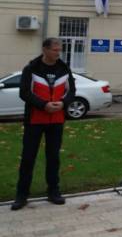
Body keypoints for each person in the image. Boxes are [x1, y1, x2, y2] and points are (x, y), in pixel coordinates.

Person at [12, 37, 76, 211]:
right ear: (45, 50)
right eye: (55, 49)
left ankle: (53, 192)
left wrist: (63, 104)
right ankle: (21, 195)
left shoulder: (64, 68)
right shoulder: (31, 69)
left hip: (56, 121)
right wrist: (43, 105)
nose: (58, 52)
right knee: (28, 158)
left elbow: (72, 92)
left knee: (53, 158)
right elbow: (24, 93)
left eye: (59, 49)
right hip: (34, 121)